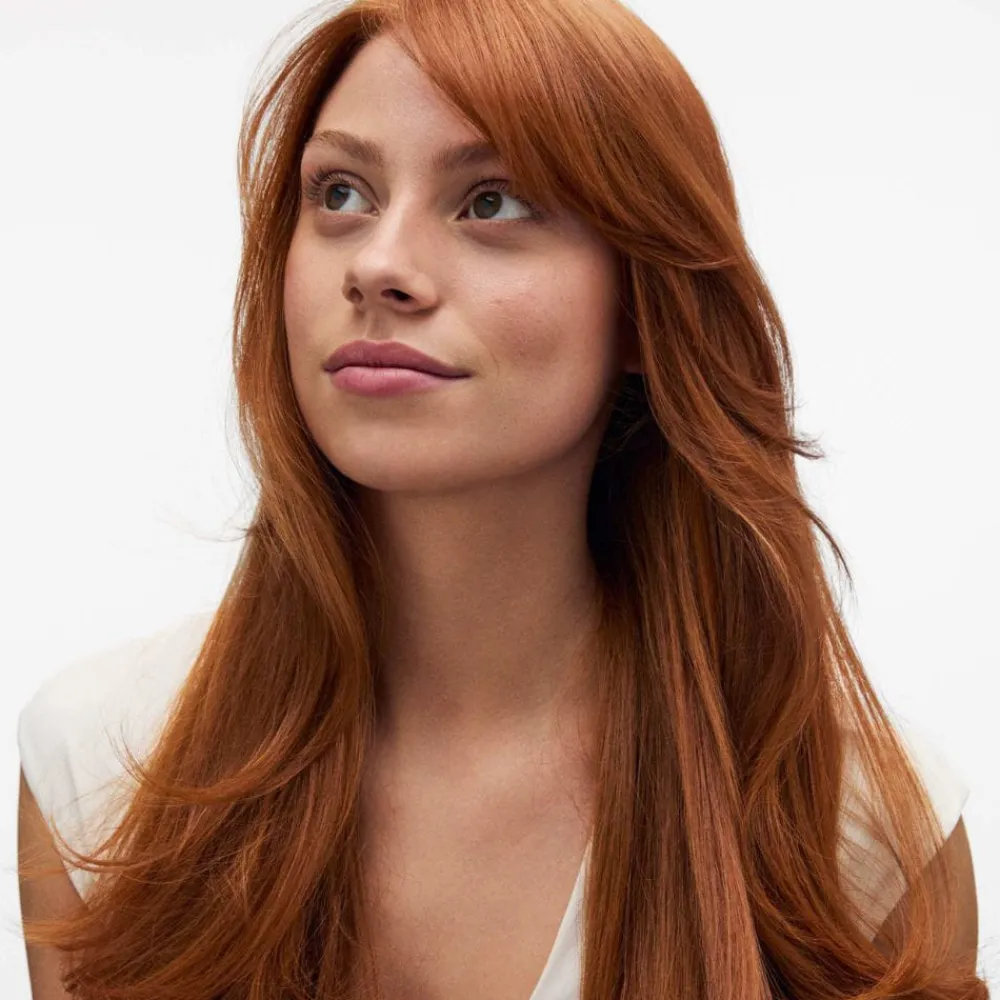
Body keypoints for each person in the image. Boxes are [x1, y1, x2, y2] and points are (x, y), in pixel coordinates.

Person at [16, 0, 984, 998]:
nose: (378, 265)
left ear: (644, 303)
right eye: (341, 192)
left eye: (494, 202)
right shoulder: (106, 773)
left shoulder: (859, 838)